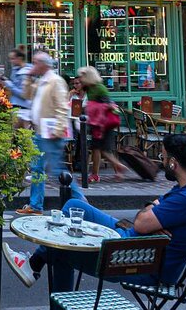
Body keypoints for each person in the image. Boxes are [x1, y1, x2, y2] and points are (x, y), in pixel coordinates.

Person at [4, 133, 186, 310]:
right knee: (73, 207)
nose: (161, 160)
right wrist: (153, 212)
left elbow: (141, 222)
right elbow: (147, 218)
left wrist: (152, 211)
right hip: (134, 243)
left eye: (163, 156)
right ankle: (34, 268)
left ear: (173, 163)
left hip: (140, 262)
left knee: (61, 249)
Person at [15, 51, 70, 215]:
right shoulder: (41, 82)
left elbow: (62, 107)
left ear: (44, 65)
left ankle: (81, 202)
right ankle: (36, 206)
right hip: (40, 132)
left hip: (50, 133)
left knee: (56, 170)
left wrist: (58, 129)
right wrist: (28, 77)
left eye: (36, 62)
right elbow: (26, 95)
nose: (33, 65)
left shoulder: (55, 81)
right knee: (37, 168)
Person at [79, 67, 128, 182]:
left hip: (104, 123)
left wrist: (94, 107)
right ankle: (96, 174)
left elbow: (108, 104)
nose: (80, 79)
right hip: (96, 123)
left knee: (104, 150)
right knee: (98, 148)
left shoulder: (100, 88)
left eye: (82, 76)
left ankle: (118, 167)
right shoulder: (89, 88)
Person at [8, 46, 32, 129]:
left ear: (20, 58)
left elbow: (23, 94)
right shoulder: (15, 69)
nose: (11, 61)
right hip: (17, 106)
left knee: (21, 137)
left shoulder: (26, 72)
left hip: (23, 108)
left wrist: (9, 84)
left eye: (13, 58)